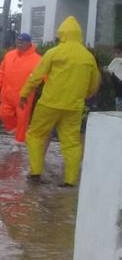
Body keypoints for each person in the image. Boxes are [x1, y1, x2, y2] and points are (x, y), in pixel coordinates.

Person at [19, 16, 101, 186]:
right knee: (71, 143)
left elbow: (36, 76)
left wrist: (24, 95)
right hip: (74, 107)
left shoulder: (54, 53)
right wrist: (85, 95)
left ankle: (35, 173)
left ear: (62, 34)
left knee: (35, 136)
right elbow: (95, 83)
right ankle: (70, 181)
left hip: (49, 104)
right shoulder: (88, 56)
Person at [0, 33, 42, 146]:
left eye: (22, 42)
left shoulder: (38, 59)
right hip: (7, 93)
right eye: (18, 41)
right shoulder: (9, 55)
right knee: (3, 114)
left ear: (29, 43)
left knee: (22, 119)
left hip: (24, 96)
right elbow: (2, 72)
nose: (19, 44)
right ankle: (16, 131)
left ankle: (19, 143)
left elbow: (44, 76)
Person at [106, 44, 122, 111]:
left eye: (118, 53)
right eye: (114, 53)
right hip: (118, 95)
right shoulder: (115, 63)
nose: (116, 55)